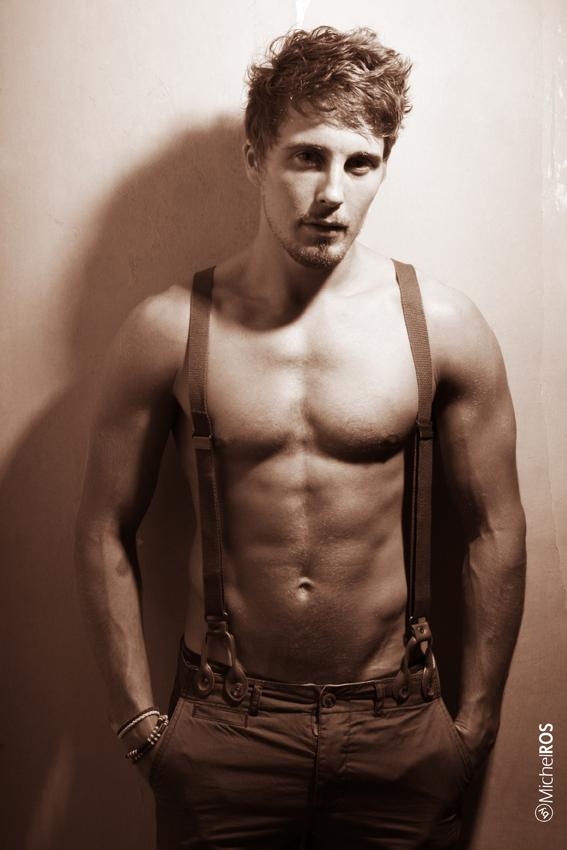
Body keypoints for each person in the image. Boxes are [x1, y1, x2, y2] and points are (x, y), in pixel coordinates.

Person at [75, 25, 526, 850]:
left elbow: (495, 529)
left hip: (397, 727)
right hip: (223, 725)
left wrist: (476, 726)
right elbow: (103, 527)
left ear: (384, 166)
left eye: (360, 164)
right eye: (306, 157)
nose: (330, 193)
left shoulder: (444, 327)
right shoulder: (168, 329)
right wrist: (139, 725)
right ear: (255, 157)